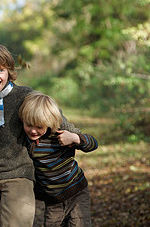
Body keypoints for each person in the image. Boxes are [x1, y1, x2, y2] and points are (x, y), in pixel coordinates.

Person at [0, 44, 82, 227]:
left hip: (19, 172)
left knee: (18, 221)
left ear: (9, 71)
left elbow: (51, 112)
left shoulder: (24, 95)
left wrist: (75, 134)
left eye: (1, 70)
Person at [19, 91, 98, 226]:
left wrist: (75, 138)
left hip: (76, 193)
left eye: (39, 127)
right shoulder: (26, 142)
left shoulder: (60, 136)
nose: (33, 131)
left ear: (48, 123)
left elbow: (93, 144)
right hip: (52, 201)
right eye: (29, 125)